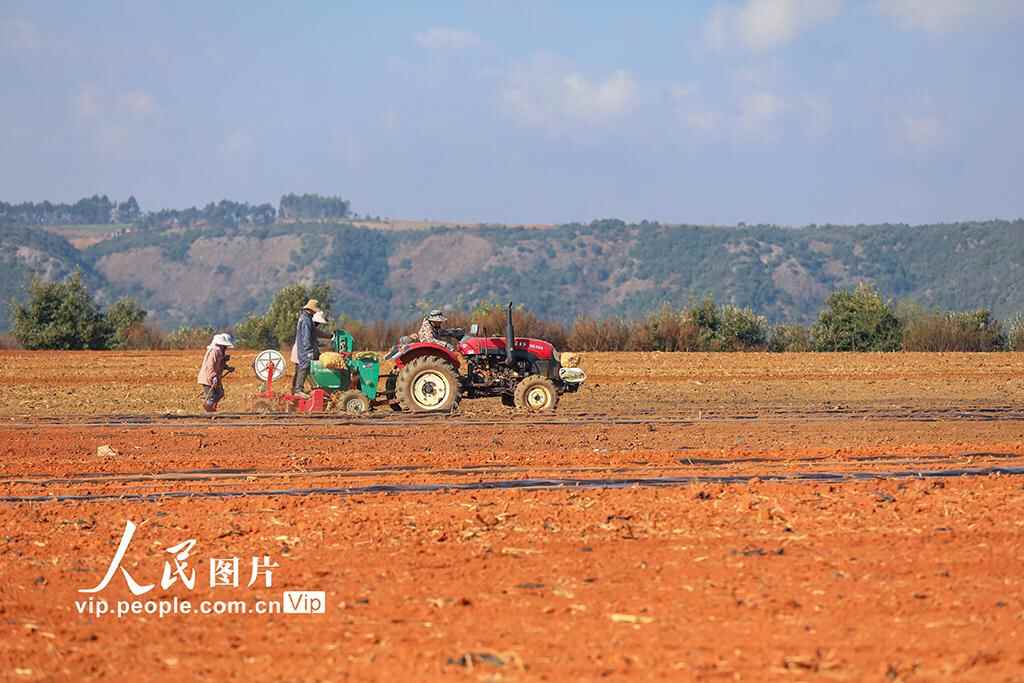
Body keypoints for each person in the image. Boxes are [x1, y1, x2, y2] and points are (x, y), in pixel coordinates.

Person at [291, 299, 325, 398]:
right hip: (304, 349)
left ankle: (296, 389)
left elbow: (314, 332)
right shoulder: (306, 320)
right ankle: (298, 390)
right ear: (311, 310)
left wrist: (330, 336)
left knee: (301, 369)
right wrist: (309, 351)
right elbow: (306, 337)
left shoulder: (306, 318)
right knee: (304, 366)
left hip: (302, 348)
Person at [197, 333, 235, 412]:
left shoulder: (219, 351)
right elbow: (210, 365)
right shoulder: (214, 351)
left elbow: (219, 364)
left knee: (220, 393)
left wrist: (227, 367)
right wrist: (213, 376)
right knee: (212, 396)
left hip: (214, 377)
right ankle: (208, 409)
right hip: (208, 377)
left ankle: (212, 408)